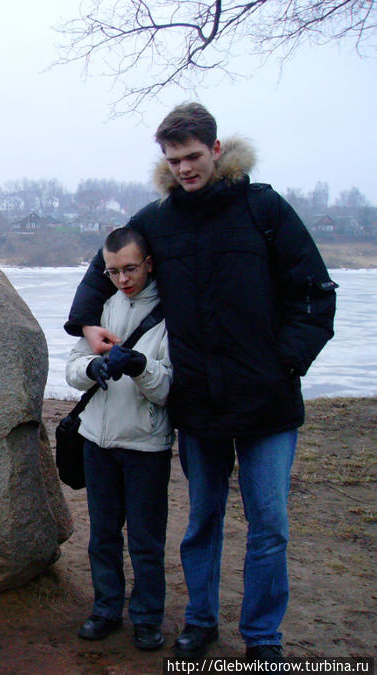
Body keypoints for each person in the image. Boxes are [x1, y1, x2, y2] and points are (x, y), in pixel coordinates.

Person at [65, 102, 337, 662]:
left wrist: (285, 363)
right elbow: (105, 267)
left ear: (215, 150)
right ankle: (201, 622)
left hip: (267, 402)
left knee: (269, 527)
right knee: (202, 522)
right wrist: (89, 326)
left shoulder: (263, 209)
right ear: (165, 161)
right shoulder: (158, 219)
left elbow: (314, 295)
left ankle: (263, 639)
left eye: (193, 156)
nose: (185, 168)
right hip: (198, 406)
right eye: (174, 159)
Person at [66, 227, 173, 652]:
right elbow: (73, 367)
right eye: (113, 271)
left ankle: (147, 618)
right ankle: (106, 609)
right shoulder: (102, 308)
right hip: (97, 440)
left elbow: (168, 390)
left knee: (146, 540)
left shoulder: (171, 313)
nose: (123, 279)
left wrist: (140, 365)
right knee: (102, 535)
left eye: (130, 268)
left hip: (146, 444)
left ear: (147, 263)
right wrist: (92, 369)